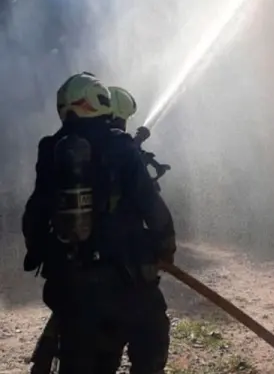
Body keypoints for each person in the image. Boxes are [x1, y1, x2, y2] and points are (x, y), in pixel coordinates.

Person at [21, 72, 176, 374]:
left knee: (82, 359)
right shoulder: (121, 146)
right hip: (125, 281)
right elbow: (151, 206)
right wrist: (165, 247)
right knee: (152, 336)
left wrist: (42, 253)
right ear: (99, 101)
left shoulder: (51, 149)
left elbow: (35, 212)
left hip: (71, 286)